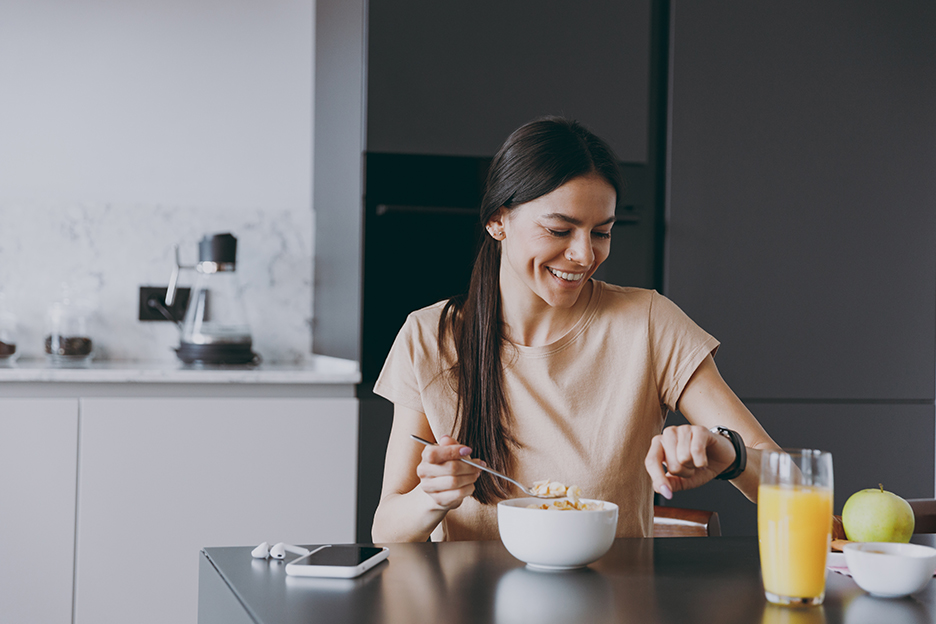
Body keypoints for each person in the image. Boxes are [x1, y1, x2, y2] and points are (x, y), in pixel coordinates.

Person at [372, 117, 780, 543]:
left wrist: (730, 455)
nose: (584, 255)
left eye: (601, 232)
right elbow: (386, 528)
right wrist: (432, 498)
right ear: (498, 221)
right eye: (559, 230)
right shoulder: (429, 336)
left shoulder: (649, 322)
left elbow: (787, 477)